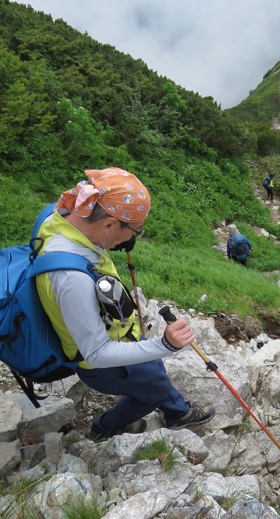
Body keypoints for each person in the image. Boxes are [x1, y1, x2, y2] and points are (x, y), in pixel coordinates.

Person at [34, 167, 214, 439]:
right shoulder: (71, 279)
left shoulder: (59, 217)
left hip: (119, 337)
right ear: (108, 224)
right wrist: (164, 345)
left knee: (153, 374)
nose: (131, 239)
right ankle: (105, 427)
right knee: (152, 390)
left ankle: (176, 410)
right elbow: (96, 353)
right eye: (134, 231)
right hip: (103, 365)